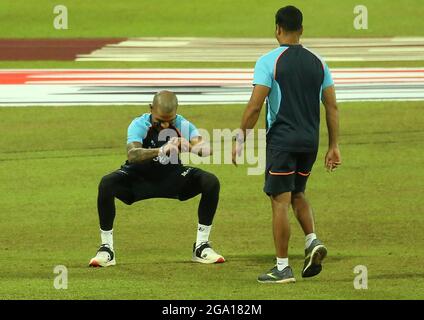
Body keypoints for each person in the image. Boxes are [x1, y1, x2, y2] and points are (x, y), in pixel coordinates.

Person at [232, 5, 341, 283]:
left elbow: (256, 106)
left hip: (282, 141)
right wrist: (334, 146)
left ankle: (282, 268)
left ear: (277, 29)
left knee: (279, 200)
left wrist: (241, 136)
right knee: (298, 193)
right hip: (310, 142)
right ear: (301, 30)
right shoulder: (319, 62)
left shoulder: (269, 61)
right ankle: (312, 241)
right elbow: (331, 107)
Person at [89, 90, 225, 267]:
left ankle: (201, 247)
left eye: (170, 120)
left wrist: (191, 147)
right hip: (138, 178)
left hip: (172, 177)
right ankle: (106, 249)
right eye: (160, 121)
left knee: (210, 182)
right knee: (107, 183)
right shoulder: (139, 124)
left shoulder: (182, 124)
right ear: (151, 108)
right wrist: (161, 150)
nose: (165, 125)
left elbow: (207, 150)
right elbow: (133, 154)